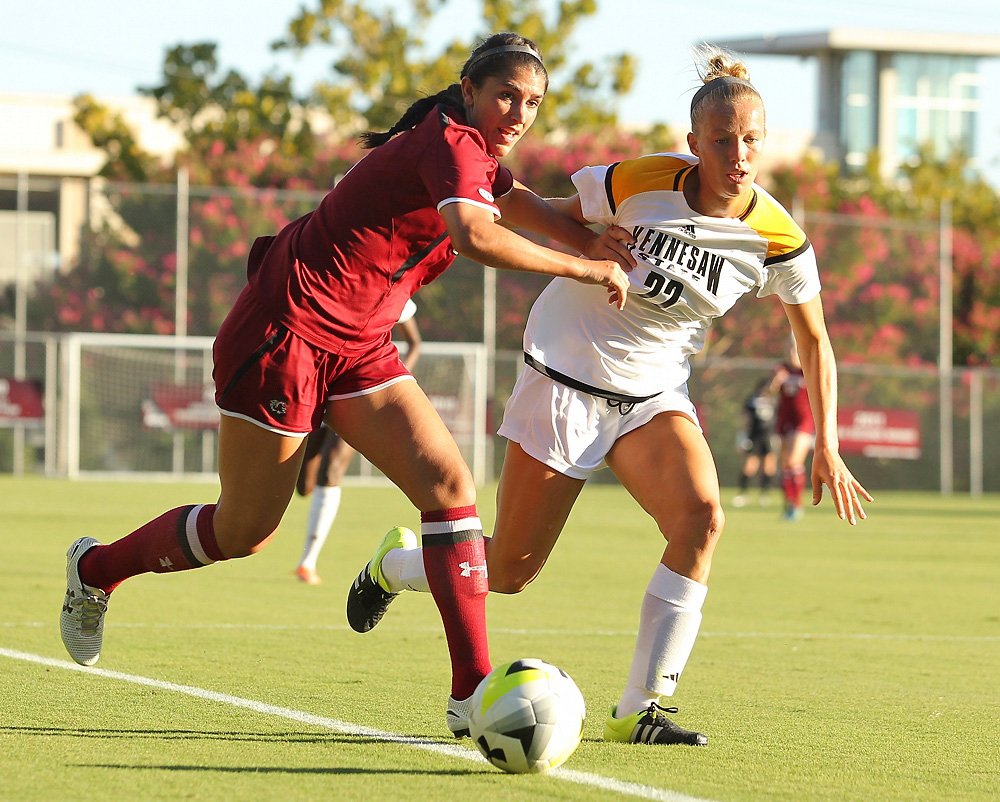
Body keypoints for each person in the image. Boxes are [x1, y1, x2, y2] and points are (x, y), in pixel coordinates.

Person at [58, 33, 635, 738]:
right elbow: (479, 235)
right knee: (244, 531)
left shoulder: (477, 154)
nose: (518, 111)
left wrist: (601, 237)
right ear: (469, 89)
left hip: (359, 346)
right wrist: (584, 267)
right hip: (286, 332)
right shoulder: (452, 139)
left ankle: (469, 693)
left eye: (533, 102)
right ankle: (96, 569)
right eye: (506, 95)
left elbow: (520, 207)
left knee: (450, 489)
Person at [346, 44, 873, 746]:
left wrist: (828, 445)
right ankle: (397, 564)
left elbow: (815, 342)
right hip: (563, 379)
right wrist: (491, 215)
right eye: (721, 140)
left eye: (750, 139)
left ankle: (641, 708)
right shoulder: (642, 179)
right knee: (506, 573)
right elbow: (540, 211)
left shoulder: (777, 239)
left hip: (654, 394)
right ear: (694, 144)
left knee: (703, 517)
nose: (737, 153)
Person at [293, 299, 422, 585]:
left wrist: (394, 381)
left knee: (332, 469)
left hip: (358, 391)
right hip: (321, 389)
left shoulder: (393, 291)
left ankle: (308, 562)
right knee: (304, 484)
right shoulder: (333, 288)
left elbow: (414, 343)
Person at [774, 341, 815, 521]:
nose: (792, 353)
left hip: (803, 421)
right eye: (789, 349)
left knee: (793, 462)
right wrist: (776, 380)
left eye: (795, 350)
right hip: (784, 420)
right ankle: (789, 504)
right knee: (785, 465)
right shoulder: (781, 370)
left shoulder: (807, 370)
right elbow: (768, 393)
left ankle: (797, 504)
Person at [732, 374, 777, 507]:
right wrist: (742, 436)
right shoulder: (752, 400)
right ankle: (743, 494)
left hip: (769, 436)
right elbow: (744, 419)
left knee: (769, 467)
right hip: (754, 436)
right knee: (750, 466)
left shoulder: (775, 400)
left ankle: (765, 494)